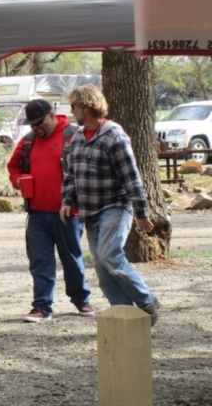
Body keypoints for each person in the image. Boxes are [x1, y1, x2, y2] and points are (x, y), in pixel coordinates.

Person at [60, 85, 161, 326]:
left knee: (110, 255)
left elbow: (132, 178)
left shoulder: (114, 136)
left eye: (74, 106)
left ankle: (148, 303)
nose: (72, 111)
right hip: (90, 212)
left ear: (86, 107)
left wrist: (142, 213)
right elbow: (71, 175)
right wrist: (67, 201)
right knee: (102, 269)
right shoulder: (77, 138)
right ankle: (125, 317)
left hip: (116, 207)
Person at [7, 99, 93, 322]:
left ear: (52, 115)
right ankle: (42, 306)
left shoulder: (74, 135)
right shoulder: (28, 140)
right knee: (40, 262)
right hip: (36, 213)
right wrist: (17, 180)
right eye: (32, 124)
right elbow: (13, 166)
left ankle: (81, 299)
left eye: (40, 122)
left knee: (72, 259)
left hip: (68, 213)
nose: (36, 127)